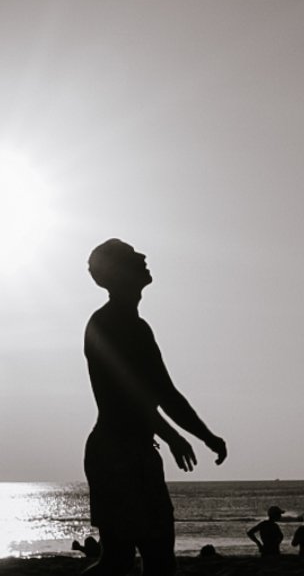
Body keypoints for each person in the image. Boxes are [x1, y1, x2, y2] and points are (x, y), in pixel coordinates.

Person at [83, 238, 228, 576]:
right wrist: (174, 436)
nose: (144, 258)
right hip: (114, 452)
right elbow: (126, 395)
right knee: (121, 559)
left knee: (156, 556)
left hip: (135, 451)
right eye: (133, 257)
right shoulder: (106, 324)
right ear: (117, 272)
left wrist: (206, 436)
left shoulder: (138, 326)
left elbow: (165, 392)